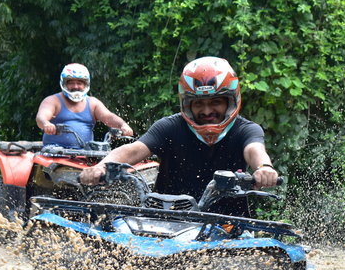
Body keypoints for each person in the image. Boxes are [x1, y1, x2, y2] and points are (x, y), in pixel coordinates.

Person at [79, 56, 279, 217]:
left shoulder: (246, 129)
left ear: (231, 101)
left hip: (229, 226)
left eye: (216, 101)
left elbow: (255, 150)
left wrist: (264, 168)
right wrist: (101, 166)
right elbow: (133, 150)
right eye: (198, 103)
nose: (207, 110)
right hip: (164, 221)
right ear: (187, 104)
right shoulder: (169, 126)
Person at [36, 63, 133, 147]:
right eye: (71, 83)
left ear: (86, 84)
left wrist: (123, 125)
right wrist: (46, 124)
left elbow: (108, 117)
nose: (75, 86)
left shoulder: (93, 103)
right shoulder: (53, 100)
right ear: (64, 83)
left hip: (85, 154)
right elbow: (41, 117)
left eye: (79, 83)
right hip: (55, 152)